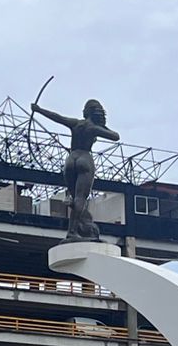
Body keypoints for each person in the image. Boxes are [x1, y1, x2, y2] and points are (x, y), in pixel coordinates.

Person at [31, 97, 121, 242]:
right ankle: (72, 231)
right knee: (80, 198)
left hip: (71, 160)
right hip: (85, 159)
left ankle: (73, 212)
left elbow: (57, 117)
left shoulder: (76, 123)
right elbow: (116, 136)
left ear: (85, 112)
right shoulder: (94, 129)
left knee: (75, 198)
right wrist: (102, 127)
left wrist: (39, 110)